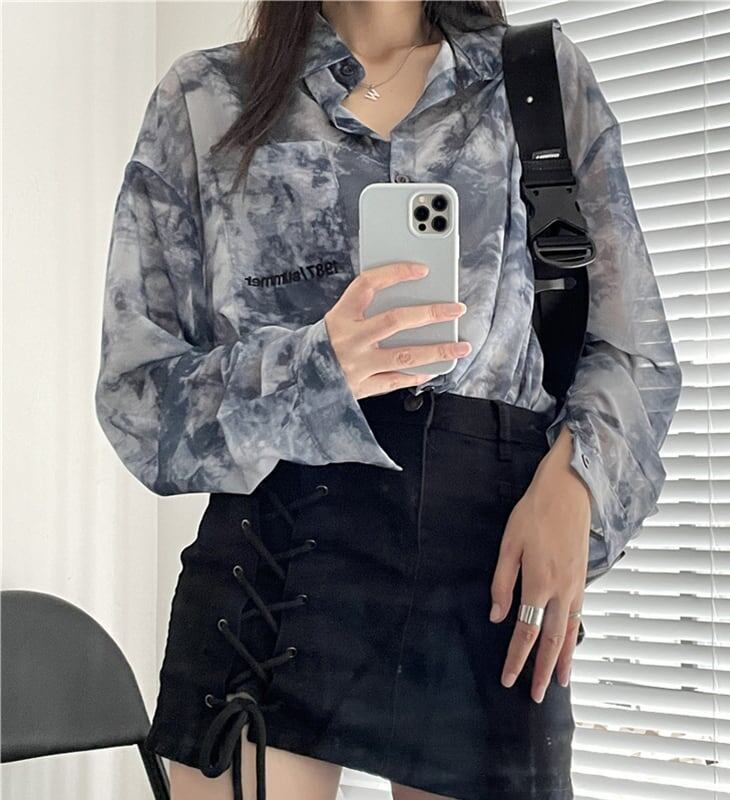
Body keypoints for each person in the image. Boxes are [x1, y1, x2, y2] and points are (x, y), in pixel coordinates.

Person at [93, 1, 682, 799]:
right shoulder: (205, 98)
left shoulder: (536, 80)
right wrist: (314, 367)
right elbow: (136, 399)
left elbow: (633, 351)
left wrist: (578, 485)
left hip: (487, 580)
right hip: (272, 578)